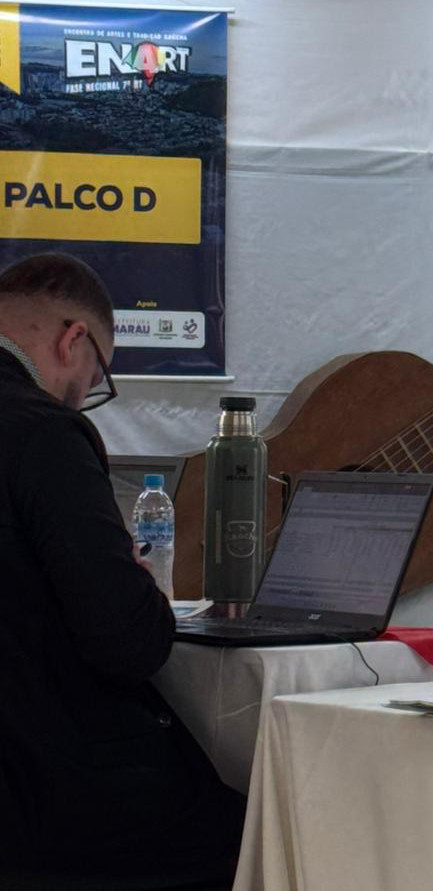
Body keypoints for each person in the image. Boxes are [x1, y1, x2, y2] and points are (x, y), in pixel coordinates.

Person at [0, 253, 244, 887]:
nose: (83, 398)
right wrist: (135, 583)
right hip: (48, 801)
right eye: (92, 378)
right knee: (256, 821)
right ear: (72, 339)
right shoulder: (44, 432)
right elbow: (127, 642)